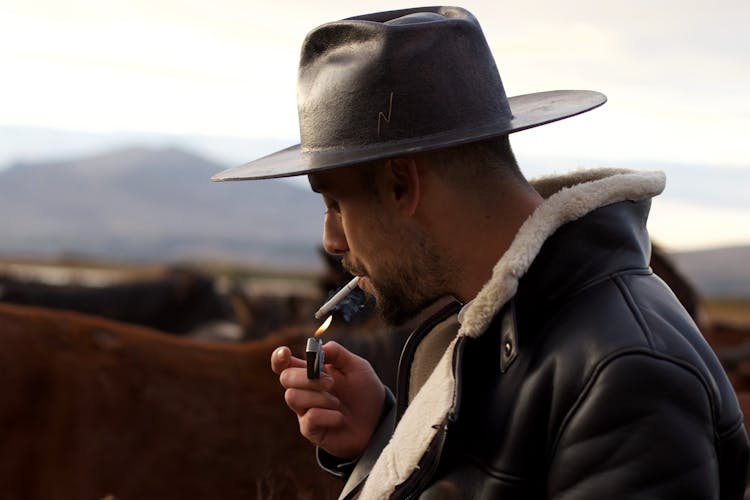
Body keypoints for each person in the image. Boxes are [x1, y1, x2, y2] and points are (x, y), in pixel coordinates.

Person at [212, 6, 749, 499]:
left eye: (336, 204)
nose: (332, 240)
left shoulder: (628, 373)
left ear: (402, 184)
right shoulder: (497, 328)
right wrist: (382, 438)